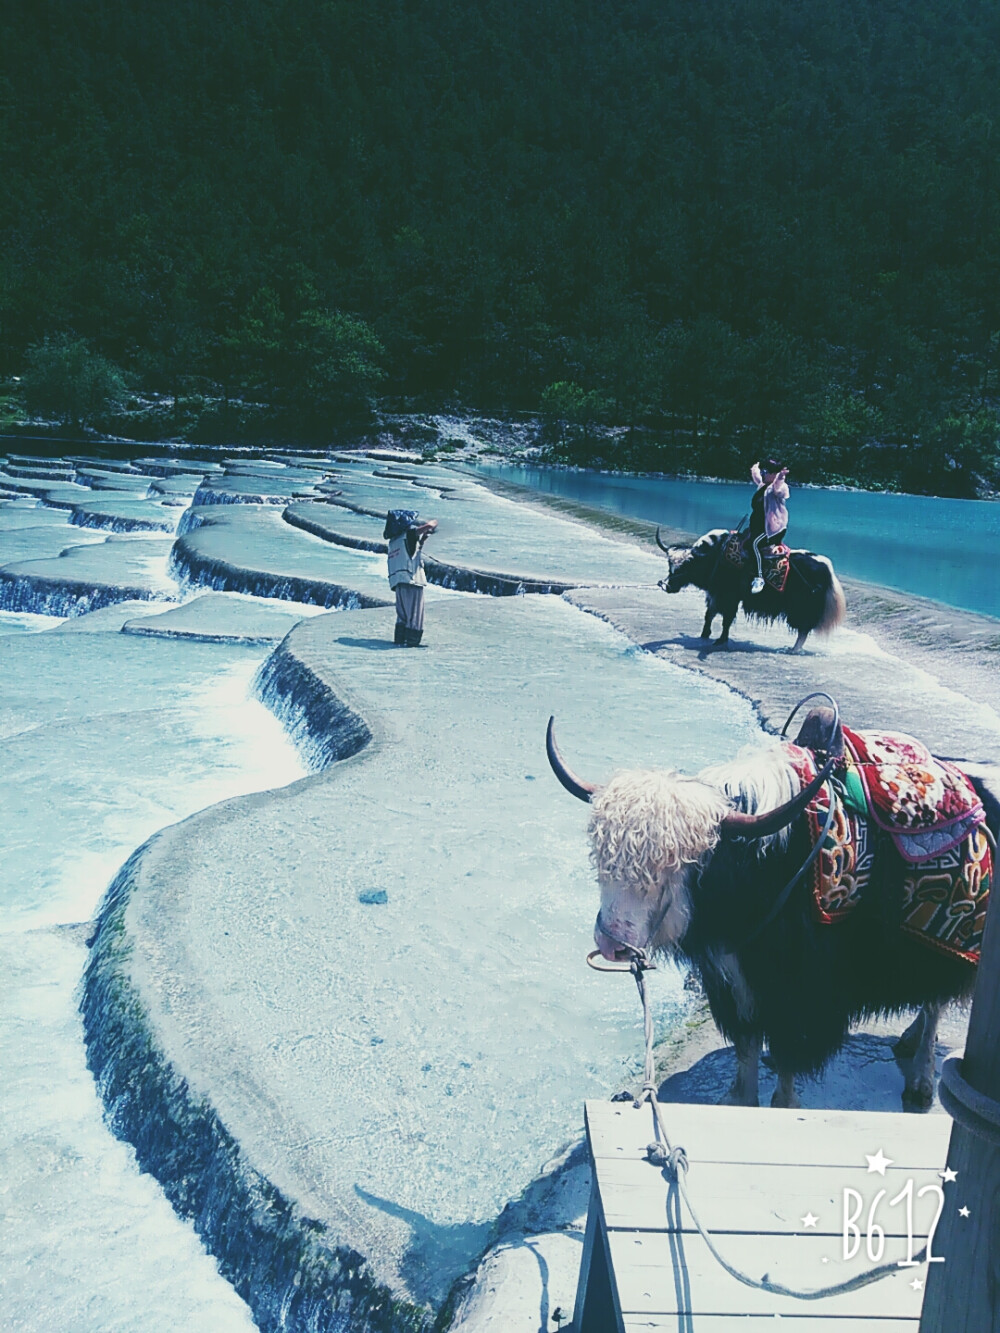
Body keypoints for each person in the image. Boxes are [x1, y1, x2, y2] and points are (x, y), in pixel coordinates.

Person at [384, 508, 437, 646]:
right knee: (415, 615)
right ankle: (412, 643)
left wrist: (423, 539)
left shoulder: (393, 542)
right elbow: (429, 526)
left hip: (398, 582)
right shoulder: (409, 534)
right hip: (411, 581)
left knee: (402, 615)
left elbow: (411, 550)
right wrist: (436, 522)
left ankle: (400, 640)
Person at [747, 458, 789, 593]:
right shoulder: (763, 485)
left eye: (766, 472)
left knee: (754, 544)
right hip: (759, 527)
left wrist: (780, 477)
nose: (763, 474)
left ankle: (759, 578)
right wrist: (756, 468)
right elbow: (757, 477)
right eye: (763, 471)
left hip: (773, 529)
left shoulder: (780, 487)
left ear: (773, 475)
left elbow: (778, 489)